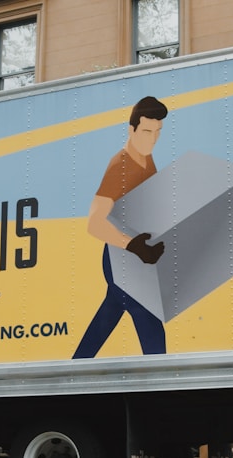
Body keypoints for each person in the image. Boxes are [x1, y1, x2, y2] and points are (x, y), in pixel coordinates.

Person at [73, 96, 168, 358]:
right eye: (147, 131)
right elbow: (94, 222)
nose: (152, 139)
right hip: (121, 258)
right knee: (147, 314)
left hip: (137, 255)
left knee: (110, 311)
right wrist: (132, 246)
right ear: (132, 129)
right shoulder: (121, 166)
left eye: (157, 132)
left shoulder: (146, 159)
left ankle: (77, 365)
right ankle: (163, 382)